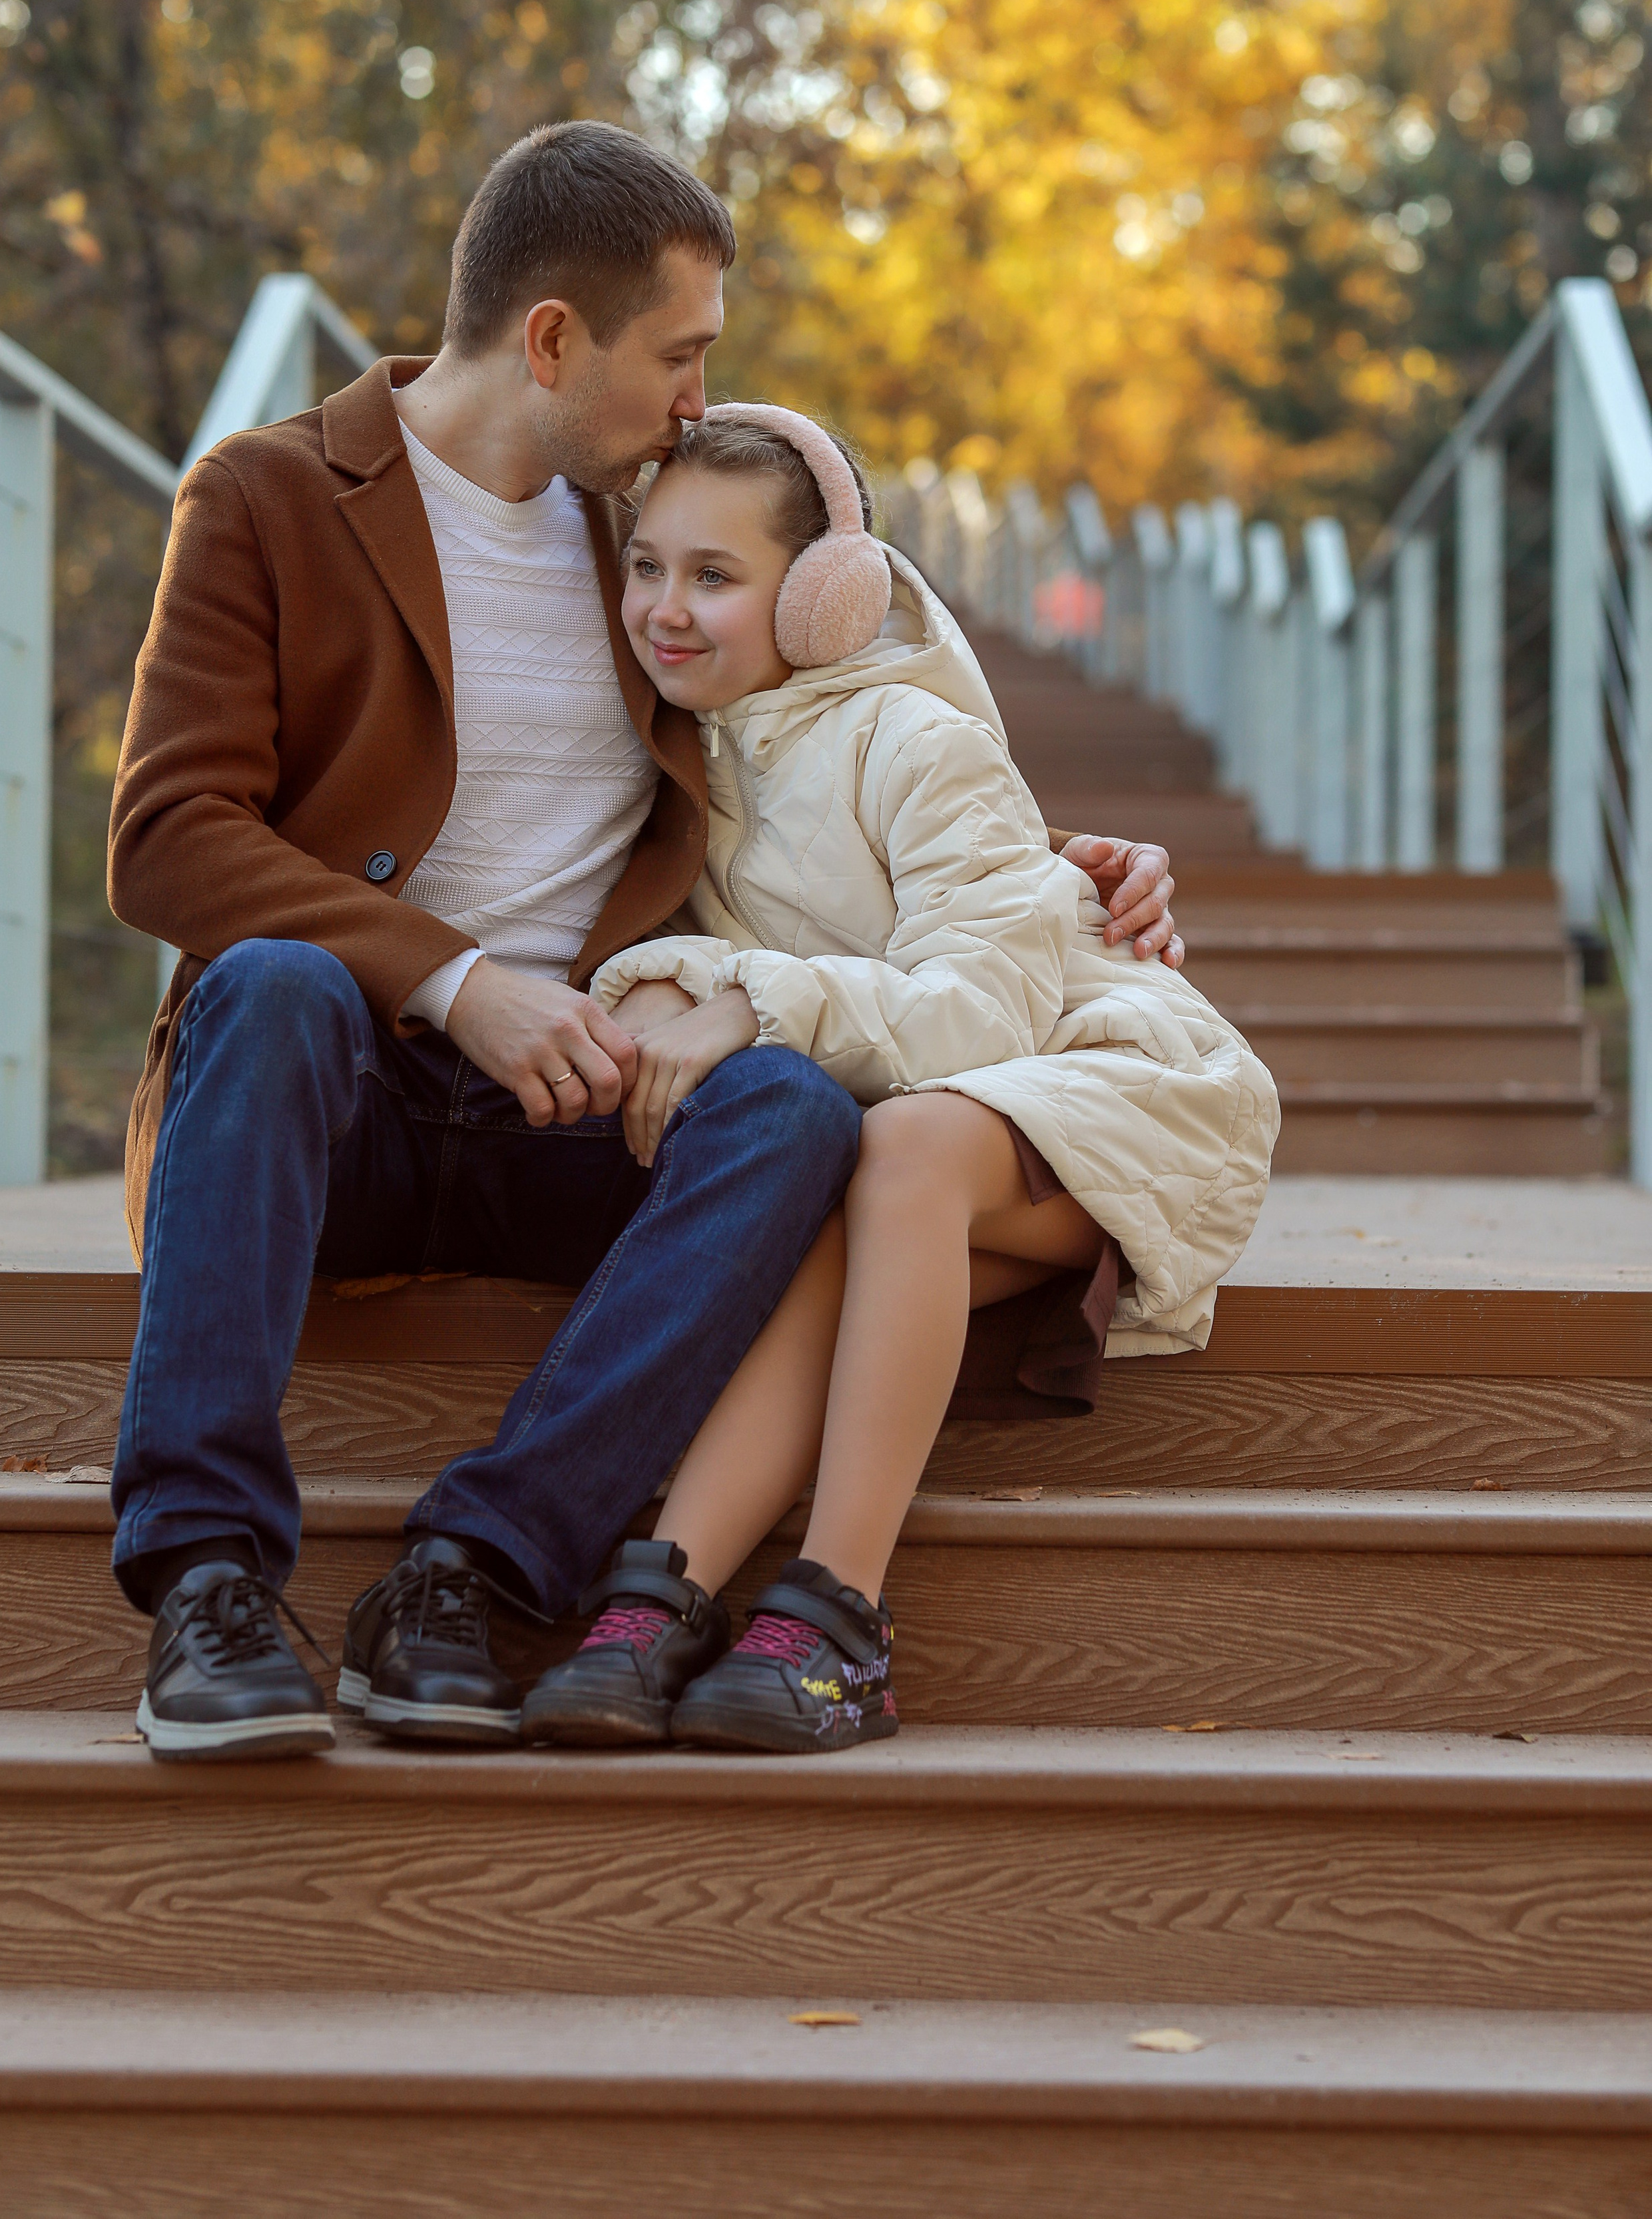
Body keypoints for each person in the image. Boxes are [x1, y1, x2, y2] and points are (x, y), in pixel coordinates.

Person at [105, 120, 1183, 1762]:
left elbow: (804, 753)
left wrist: (1056, 867)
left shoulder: (644, 544)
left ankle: (468, 1570)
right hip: (326, 1105)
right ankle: (207, 1582)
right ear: (552, 339)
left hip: (585, 1108)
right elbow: (167, 837)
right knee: (269, 982)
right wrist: (462, 991)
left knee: (799, 1110)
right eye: (677, 356)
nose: (697, 402)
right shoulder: (266, 497)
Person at [517, 404, 1278, 1756]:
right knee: (830, 1212)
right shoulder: (671, 766)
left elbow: (977, 1021)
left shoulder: (914, 742)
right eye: (647, 567)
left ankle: (838, 1617)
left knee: (904, 1147)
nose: (664, 610)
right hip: (908, 1155)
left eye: (714, 577)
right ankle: (660, 1601)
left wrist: (751, 1000)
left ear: (822, 596)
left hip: (1104, 1087)